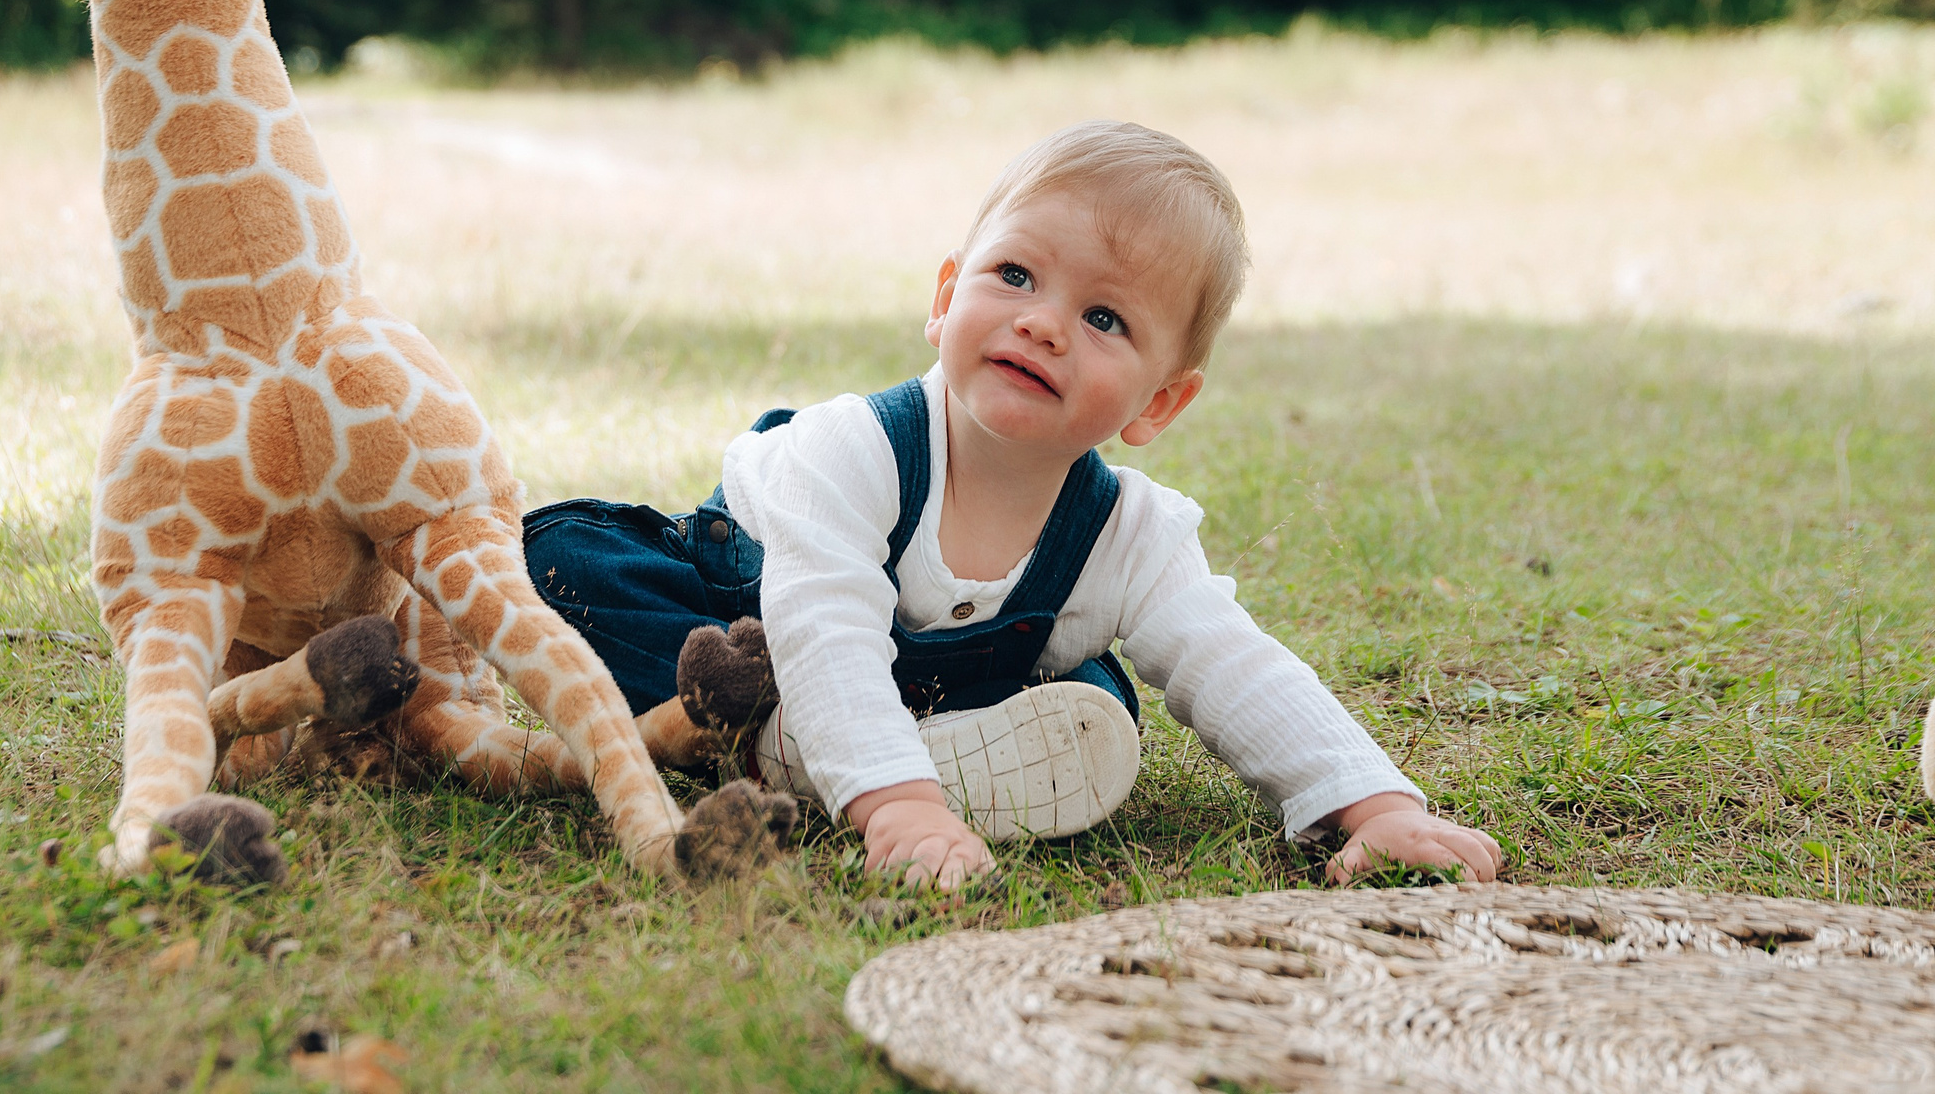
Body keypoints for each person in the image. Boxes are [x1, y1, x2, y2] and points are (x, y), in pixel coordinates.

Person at [522, 121, 1505, 890]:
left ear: (1159, 404)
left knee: (1096, 698)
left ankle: (806, 747)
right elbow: (819, 621)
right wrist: (901, 809)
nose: (1042, 323)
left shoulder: (1129, 535)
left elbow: (1236, 665)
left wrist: (1374, 805)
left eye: (1104, 318)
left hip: (922, 679)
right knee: (567, 557)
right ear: (946, 297)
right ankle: (795, 737)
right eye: (1016, 275)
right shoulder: (853, 448)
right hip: (745, 615)